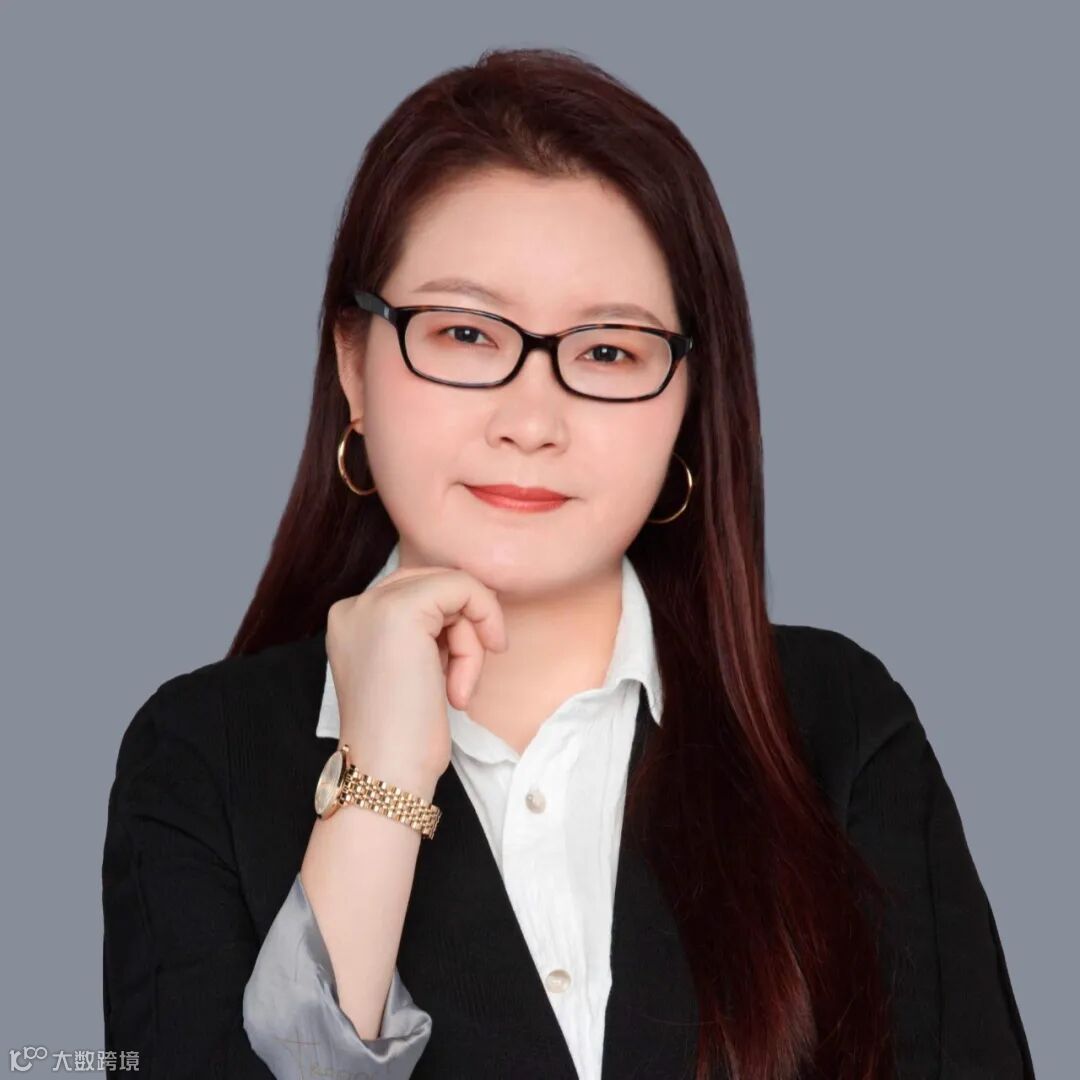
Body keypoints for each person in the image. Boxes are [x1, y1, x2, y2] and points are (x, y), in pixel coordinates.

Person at [100, 46, 1034, 1080]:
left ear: (688, 405)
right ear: (353, 368)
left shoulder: (838, 725)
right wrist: (381, 787)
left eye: (607, 351)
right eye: (464, 333)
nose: (533, 419)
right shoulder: (199, 761)